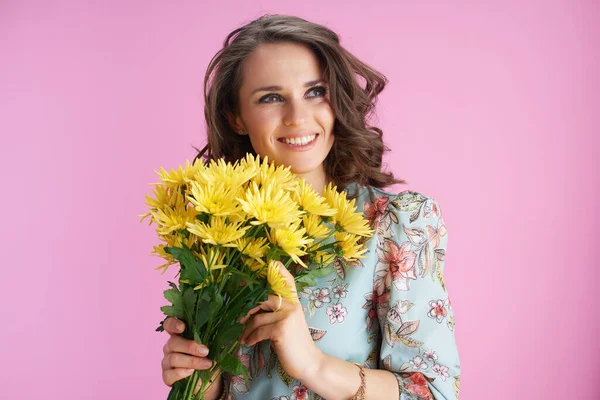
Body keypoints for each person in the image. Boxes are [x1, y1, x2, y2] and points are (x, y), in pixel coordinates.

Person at [160, 14, 460, 400]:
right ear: (236, 117)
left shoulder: (398, 225)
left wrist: (312, 364)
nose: (297, 117)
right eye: (270, 97)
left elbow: (432, 393)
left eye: (315, 91)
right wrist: (195, 374)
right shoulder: (213, 229)